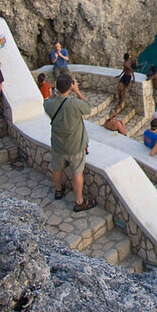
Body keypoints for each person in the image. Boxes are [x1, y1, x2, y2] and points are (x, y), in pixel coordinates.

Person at [44, 71, 96, 212]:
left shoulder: (49, 104)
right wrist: (77, 91)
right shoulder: (74, 104)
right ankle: (79, 201)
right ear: (70, 87)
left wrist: (56, 92)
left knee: (57, 168)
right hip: (75, 146)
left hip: (58, 145)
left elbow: (49, 101)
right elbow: (88, 107)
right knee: (77, 172)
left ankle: (58, 190)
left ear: (56, 86)